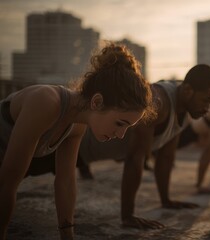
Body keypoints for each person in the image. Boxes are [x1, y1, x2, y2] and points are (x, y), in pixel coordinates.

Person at [0, 43, 155, 240]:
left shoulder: (77, 123)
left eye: (127, 128)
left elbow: (65, 181)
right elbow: (7, 184)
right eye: (120, 123)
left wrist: (68, 236)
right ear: (97, 102)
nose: (121, 134)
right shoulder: (46, 102)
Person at [75, 64, 210, 229]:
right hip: (73, 144)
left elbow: (166, 157)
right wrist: (128, 216)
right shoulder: (159, 102)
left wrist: (166, 200)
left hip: (84, 155)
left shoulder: (186, 111)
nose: (207, 108)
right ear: (188, 90)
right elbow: (134, 158)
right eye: (206, 100)